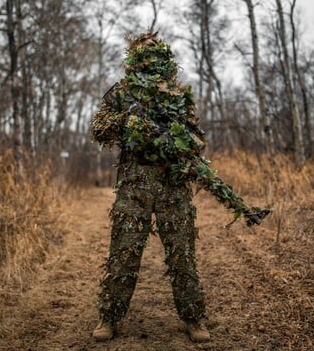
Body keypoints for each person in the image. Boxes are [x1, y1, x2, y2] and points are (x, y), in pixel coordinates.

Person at [90, 32, 269, 343]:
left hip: (174, 186)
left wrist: (175, 147)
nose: (152, 61)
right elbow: (99, 129)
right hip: (134, 185)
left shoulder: (178, 96)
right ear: (134, 59)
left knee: (182, 256)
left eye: (156, 55)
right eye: (145, 55)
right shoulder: (121, 93)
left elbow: (191, 139)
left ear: (165, 59)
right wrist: (126, 122)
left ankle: (194, 318)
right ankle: (109, 317)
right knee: (123, 254)